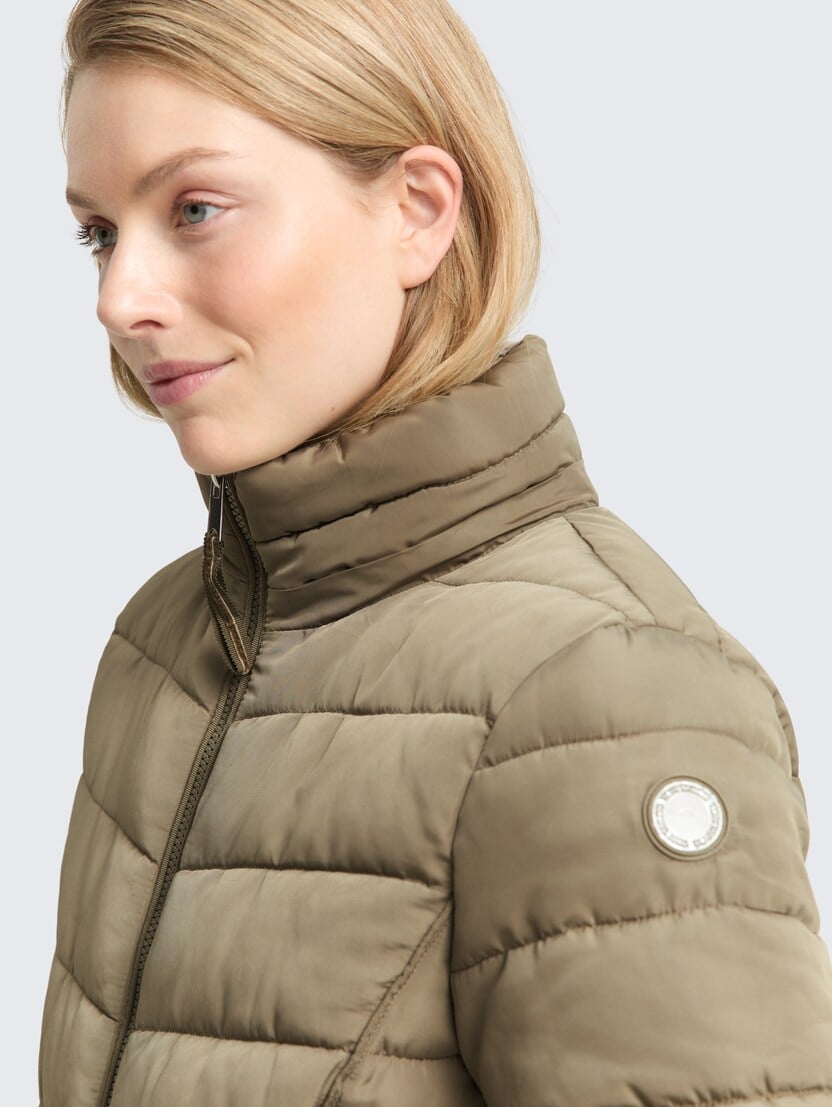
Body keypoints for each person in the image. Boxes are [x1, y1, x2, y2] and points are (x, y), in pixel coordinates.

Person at [39, 0, 832, 1104]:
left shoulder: (602, 691)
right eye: (100, 233)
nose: (120, 299)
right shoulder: (166, 641)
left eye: (197, 208)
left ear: (417, 210)